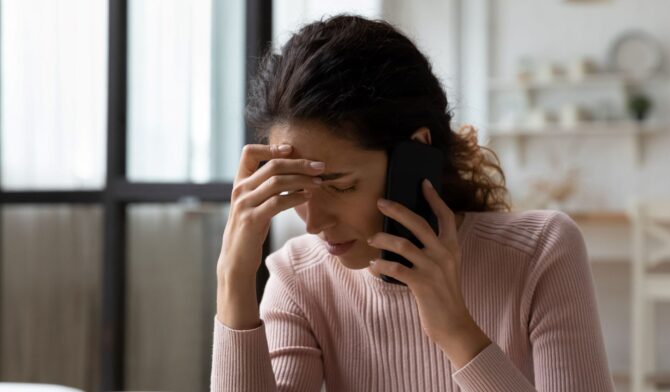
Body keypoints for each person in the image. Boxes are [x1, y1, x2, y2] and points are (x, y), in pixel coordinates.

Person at [211, 14, 613, 392]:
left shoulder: (540, 250)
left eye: (340, 185)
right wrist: (233, 280)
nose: (313, 223)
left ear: (414, 156)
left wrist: (457, 332)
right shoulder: (298, 276)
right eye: (297, 189)